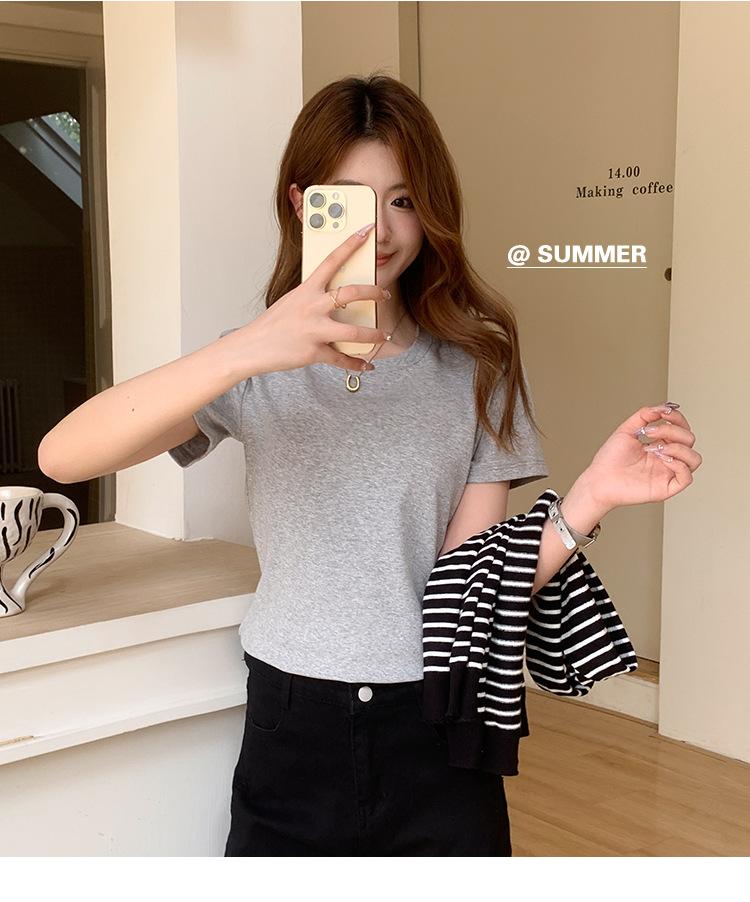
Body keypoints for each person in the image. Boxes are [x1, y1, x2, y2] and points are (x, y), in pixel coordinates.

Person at [38, 73, 702, 857]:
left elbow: (470, 581)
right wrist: (249, 348)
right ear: (301, 204)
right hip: (292, 725)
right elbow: (63, 455)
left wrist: (592, 495)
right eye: (349, 202)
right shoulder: (252, 366)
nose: (381, 231)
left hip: (437, 720)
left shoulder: (476, 364)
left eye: (404, 200)